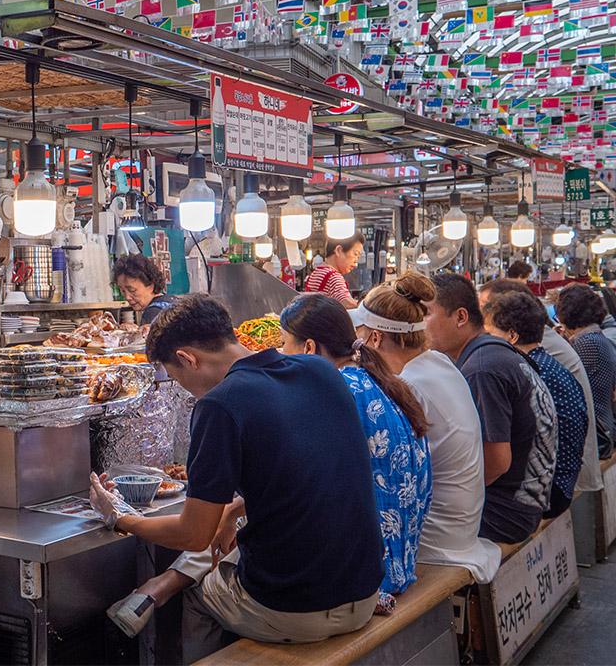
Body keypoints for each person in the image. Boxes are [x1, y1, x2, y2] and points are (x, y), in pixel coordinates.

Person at [95, 296, 381, 660]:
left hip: (296, 611)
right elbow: (308, 466)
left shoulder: (219, 405)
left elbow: (194, 536)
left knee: (200, 592)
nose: (183, 387)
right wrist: (233, 510)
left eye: (177, 376)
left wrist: (121, 518)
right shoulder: (318, 370)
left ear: (187, 359)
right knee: (228, 556)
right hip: (365, 591)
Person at [278, 293, 431, 612]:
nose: (281, 354)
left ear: (308, 348)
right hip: (401, 562)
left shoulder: (335, 391)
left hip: (372, 580)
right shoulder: (377, 380)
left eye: (284, 345)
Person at [351, 272, 499, 582]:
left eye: (359, 334)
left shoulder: (409, 386)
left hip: (434, 543)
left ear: (375, 338)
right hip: (461, 530)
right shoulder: (438, 363)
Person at [425, 274, 557, 544]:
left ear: (460, 317)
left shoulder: (483, 368)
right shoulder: (489, 353)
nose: (417, 324)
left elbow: (497, 462)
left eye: (426, 314)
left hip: (507, 513)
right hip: (525, 503)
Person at [481, 279, 605, 490]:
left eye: (485, 307)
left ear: (511, 333)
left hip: (553, 487)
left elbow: (500, 460)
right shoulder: (541, 356)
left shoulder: (531, 366)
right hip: (564, 478)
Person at [555, 284, 616, 463]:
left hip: (598, 434)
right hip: (603, 426)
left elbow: (567, 384)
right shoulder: (595, 337)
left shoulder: (587, 343)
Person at [304, 233, 365, 309]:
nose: (356, 263)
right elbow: (348, 304)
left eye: (358, 257)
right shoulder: (333, 277)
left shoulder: (316, 272)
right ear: (338, 250)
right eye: (355, 254)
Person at [113, 254, 174, 325]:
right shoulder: (171, 301)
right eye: (122, 291)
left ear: (151, 285)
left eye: (132, 290)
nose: (127, 297)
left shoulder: (152, 314)